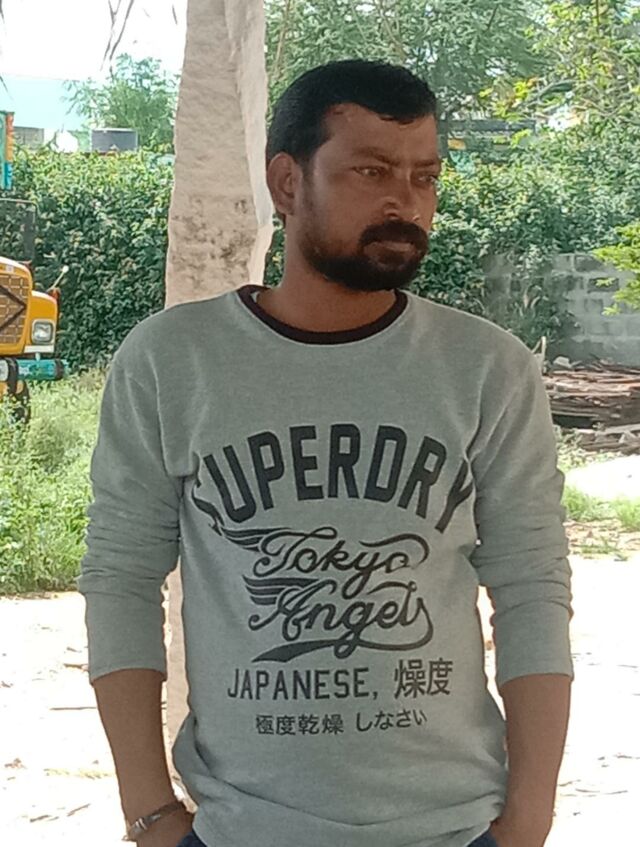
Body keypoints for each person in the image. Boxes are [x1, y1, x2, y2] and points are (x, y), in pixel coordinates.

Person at [77, 59, 573, 847]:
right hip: (243, 829)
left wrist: (529, 819)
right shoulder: (173, 360)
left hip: (453, 828)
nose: (405, 202)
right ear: (287, 181)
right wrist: (149, 810)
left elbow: (532, 587)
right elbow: (120, 577)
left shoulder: (487, 368)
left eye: (424, 176)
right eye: (370, 171)